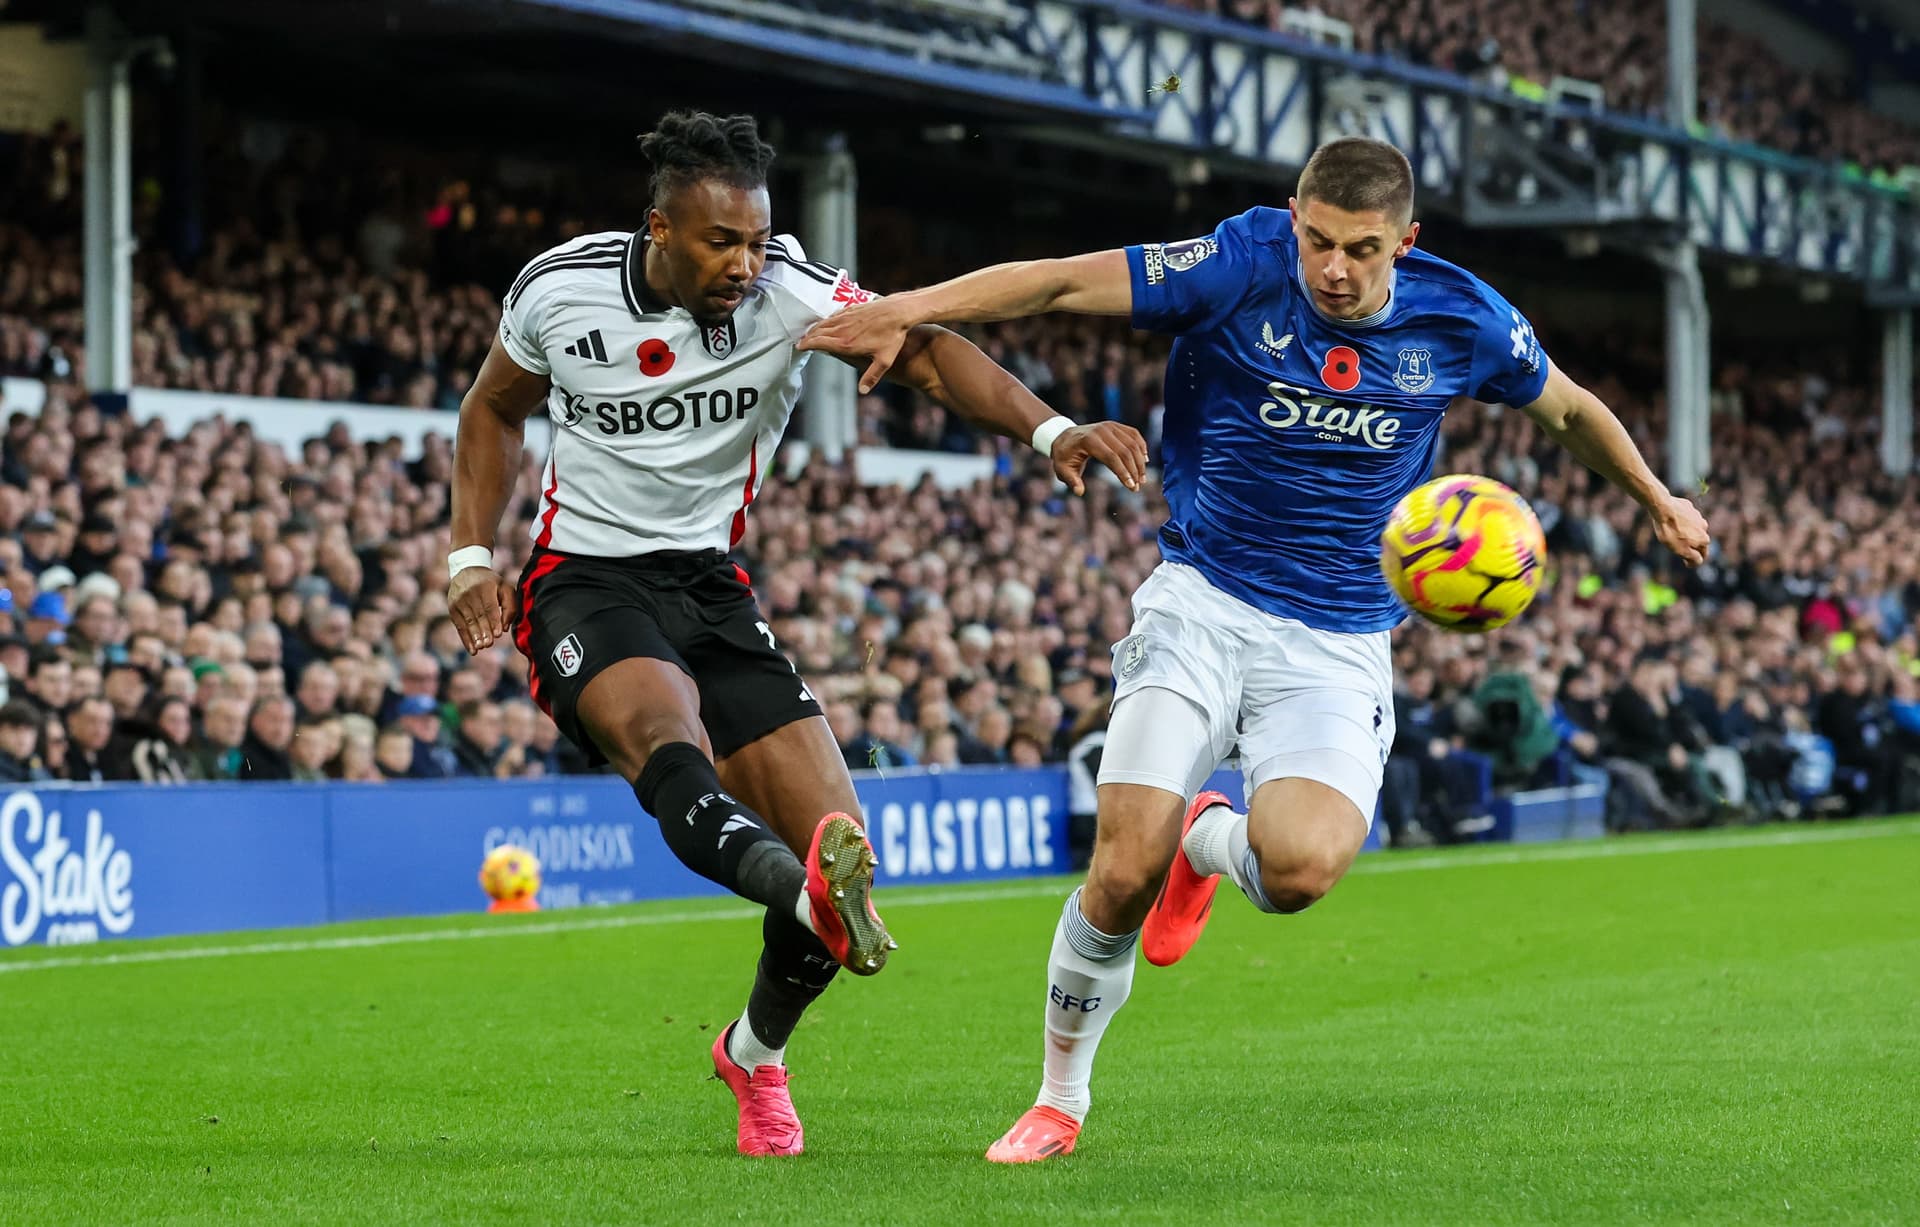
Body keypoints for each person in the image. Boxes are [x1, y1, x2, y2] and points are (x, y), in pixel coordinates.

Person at [803, 135, 1712, 1163]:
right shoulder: (1238, 264)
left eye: (1361, 250)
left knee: (1301, 871)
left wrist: (1656, 497)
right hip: (1202, 603)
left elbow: (1572, 408)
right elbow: (1057, 281)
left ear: (1405, 242)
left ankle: (1209, 841)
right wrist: (905, 307)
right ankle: (1060, 1098)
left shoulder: (1463, 318)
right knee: (1120, 872)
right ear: (1293, 218)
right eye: (1317, 240)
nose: (1334, 268)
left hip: (1339, 637)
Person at [446, 110, 1146, 1158]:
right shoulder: (560, 287)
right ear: (659, 229)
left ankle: (754, 1053)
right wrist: (470, 555)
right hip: (583, 579)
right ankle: (805, 890)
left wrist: (1050, 429)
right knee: (669, 739)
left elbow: (926, 352)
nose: (745, 263)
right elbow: (492, 408)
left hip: (710, 587)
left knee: (843, 835)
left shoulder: (791, 291)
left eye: (758, 240)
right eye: (721, 242)